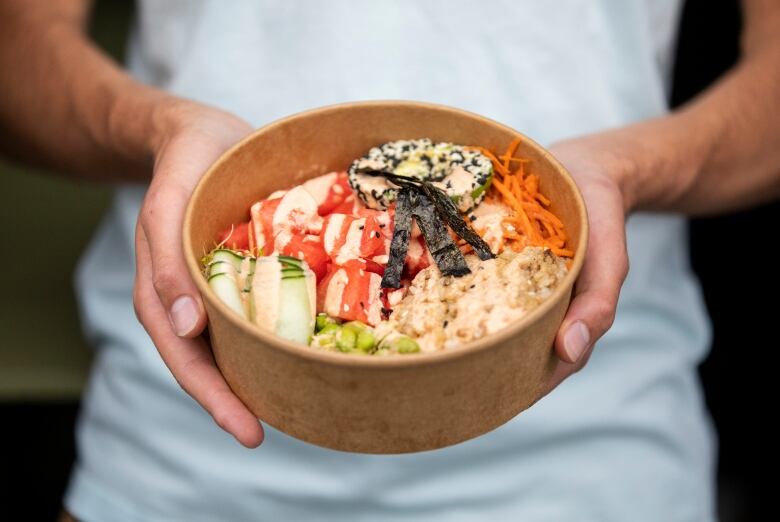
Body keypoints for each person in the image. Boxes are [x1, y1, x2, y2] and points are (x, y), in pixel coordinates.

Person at [1, 1, 779, 520]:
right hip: (178, 457)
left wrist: (629, 169)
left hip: (597, 453)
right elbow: (16, 56)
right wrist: (161, 128)